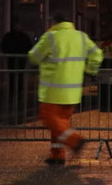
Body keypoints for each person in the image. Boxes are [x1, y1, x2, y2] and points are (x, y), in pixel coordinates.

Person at [28, 11, 103, 166]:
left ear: (54, 22)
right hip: (73, 91)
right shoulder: (81, 37)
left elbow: (34, 57)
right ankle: (57, 156)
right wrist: (90, 70)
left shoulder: (50, 37)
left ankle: (75, 141)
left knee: (49, 119)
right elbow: (97, 54)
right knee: (60, 122)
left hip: (53, 90)